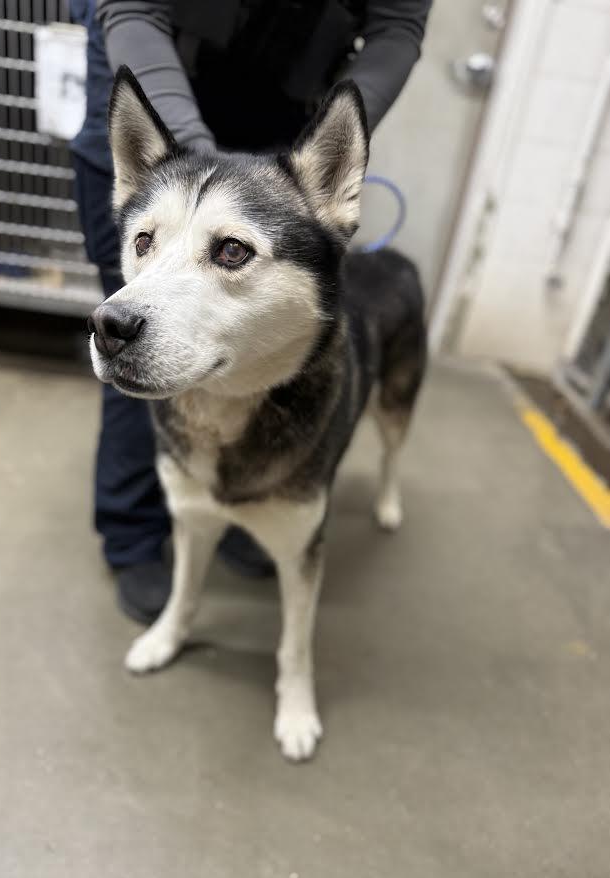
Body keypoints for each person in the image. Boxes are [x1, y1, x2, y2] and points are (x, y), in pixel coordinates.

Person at [70, 0, 432, 624]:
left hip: (288, 92)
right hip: (150, 60)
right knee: (146, 357)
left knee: (256, 369)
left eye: (231, 252)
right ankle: (134, 535)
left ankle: (252, 514)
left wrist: (315, 173)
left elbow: (399, 26)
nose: (114, 312)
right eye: (144, 243)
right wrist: (183, 166)